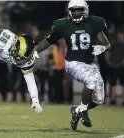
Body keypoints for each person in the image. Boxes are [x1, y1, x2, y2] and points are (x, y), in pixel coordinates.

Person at [36, 0, 110, 130]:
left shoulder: (95, 22)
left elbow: (106, 43)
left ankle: (77, 110)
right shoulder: (63, 24)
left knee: (99, 99)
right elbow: (49, 40)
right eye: (73, 10)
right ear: (69, 11)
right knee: (91, 81)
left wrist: (102, 48)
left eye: (79, 9)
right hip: (72, 63)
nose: (76, 13)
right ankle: (83, 111)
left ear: (86, 9)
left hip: (90, 64)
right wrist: (34, 52)